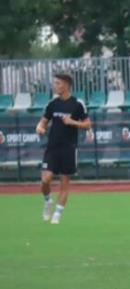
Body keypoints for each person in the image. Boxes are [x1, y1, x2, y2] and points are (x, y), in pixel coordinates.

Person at [35, 73, 91, 224]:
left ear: (66, 85)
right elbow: (43, 122)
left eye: (58, 83)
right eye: (55, 83)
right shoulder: (52, 103)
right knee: (45, 180)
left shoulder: (77, 104)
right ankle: (48, 201)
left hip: (69, 149)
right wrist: (39, 127)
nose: (55, 86)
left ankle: (57, 214)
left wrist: (72, 122)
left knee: (64, 184)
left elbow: (87, 124)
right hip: (52, 148)